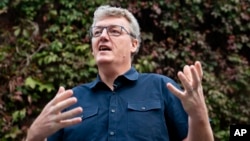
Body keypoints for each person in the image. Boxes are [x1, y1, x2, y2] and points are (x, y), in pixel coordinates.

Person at [26, 5, 214, 141]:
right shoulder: (71, 100)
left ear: (134, 44)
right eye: (97, 32)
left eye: (115, 31)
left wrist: (199, 116)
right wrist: (33, 136)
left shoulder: (162, 87)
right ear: (92, 48)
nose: (103, 36)